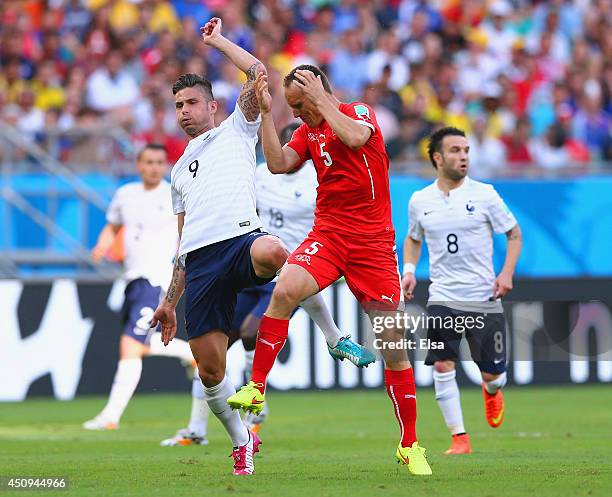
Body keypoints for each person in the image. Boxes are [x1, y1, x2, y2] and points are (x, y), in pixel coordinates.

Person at [227, 64, 432, 476]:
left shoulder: (360, 114)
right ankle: (256, 387)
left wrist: (320, 99)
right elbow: (278, 163)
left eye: (301, 105)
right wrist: (268, 114)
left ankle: (409, 444)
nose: (299, 114)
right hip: (331, 233)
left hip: (373, 243)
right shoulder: (306, 130)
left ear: (319, 89)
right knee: (286, 289)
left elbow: (355, 139)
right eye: (294, 108)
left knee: (393, 345)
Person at [160, 123, 375, 446]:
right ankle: (197, 429)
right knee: (211, 351)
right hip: (251, 261)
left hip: (295, 265)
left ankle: (266, 396)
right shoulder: (260, 174)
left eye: (294, 147)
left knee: (252, 329)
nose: (287, 152)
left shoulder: (318, 177)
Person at [401, 126, 522, 455]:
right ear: (438, 158)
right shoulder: (420, 200)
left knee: (493, 374)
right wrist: (409, 271)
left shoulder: (485, 194)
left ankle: (492, 389)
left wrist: (506, 273)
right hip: (442, 297)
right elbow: (414, 238)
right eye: (456, 150)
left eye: (466, 150)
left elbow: (513, 234)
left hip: (483, 297)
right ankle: (459, 438)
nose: (464, 156)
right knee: (442, 365)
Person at [83, 143, 199, 432]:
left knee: (131, 346)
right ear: (138, 164)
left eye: (160, 162)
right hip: (131, 279)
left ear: (165, 165)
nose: (154, 167)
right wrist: (102, 245)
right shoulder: (125, 195)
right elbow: (113, 226)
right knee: (140, 344)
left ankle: (110, 416)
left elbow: (189, 230)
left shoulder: (174, 193)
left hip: (156, 279)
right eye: (148, 162)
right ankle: (191, 354)